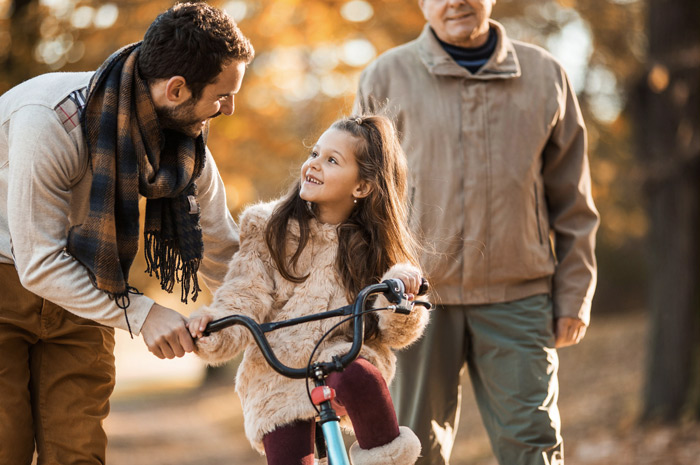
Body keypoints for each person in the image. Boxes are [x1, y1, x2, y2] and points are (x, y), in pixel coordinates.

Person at [0, 3, 254, 464]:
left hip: (83, 283)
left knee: (79, 454)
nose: (229, 109)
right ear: (177, 89)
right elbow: (37, 262)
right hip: (6, 278)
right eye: (222, 95)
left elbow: (223, 247)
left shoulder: (184, 144)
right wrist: (144, 313)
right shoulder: (51, 121)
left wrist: (266, 313)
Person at [353, 1, 599, 464]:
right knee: (409, 450)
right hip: (413, 301)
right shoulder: (384, 77)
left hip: (518, 297)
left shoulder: (546, 75)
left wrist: (574, 295)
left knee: (534, 445)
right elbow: (359, 201)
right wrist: (367, 299)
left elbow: (573, 202)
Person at [188, 114, 429, 465]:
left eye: (331, 160)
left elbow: (397, 332)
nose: (313, 165)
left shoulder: (376, 246)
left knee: (359, 376)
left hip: (342, 355)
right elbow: (245, 295)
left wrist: (400, 291)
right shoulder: (268, 227)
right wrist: (214, 327)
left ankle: (387, 460)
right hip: (277, 371)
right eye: (314, 154)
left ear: (361, 187)